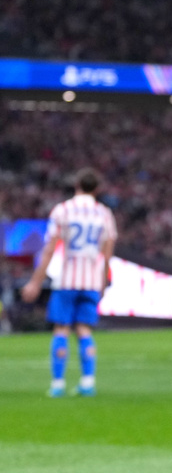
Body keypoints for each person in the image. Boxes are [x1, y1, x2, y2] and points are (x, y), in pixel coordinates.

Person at [20, 168, 117, 397]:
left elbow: (50, 248)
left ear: (76, 185)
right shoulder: (104, 213)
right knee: (84, 329)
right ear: (97, 189)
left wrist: (35, 281)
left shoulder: (63, 210)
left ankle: (58, 384)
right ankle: (88, 381)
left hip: (67, 279)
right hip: (92, 280)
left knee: (61, 329)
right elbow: (108, 252)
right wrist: (103, 282)